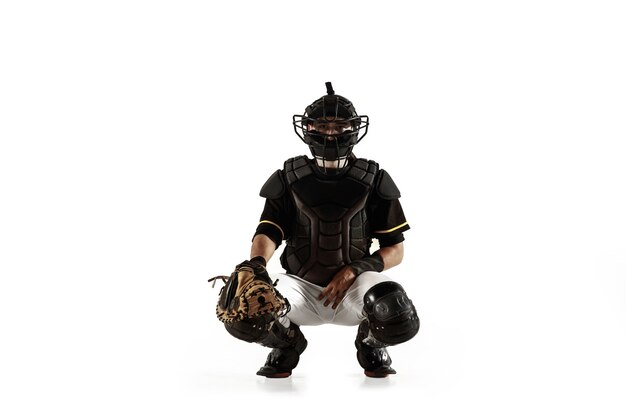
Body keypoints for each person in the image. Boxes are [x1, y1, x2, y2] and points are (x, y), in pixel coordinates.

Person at [219, 82, 419, 378]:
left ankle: (370, 343)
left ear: (353, 128)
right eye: (322, 124)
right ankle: (287, 343)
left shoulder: (374, 179)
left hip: (353, 290)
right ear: (308, 127)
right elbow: (269, 230)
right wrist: (257, 264)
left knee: (396, 309)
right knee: (246, 310)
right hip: (299, 289)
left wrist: (353, 270)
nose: (330, 132)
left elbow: (396, 250)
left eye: (339, 125)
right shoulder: (289, 177)